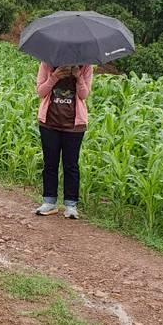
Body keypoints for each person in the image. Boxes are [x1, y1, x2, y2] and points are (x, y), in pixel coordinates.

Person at [35, 62, 94, 219]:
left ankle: (71, 205)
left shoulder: (86, 66)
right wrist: (54, 77)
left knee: (71, 165)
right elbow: (41, 92)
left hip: (74, 125)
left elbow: (84, 95)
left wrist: (78, 76)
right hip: (49, 123)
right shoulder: (47, 63)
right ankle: (49, 202)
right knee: (50, 163)